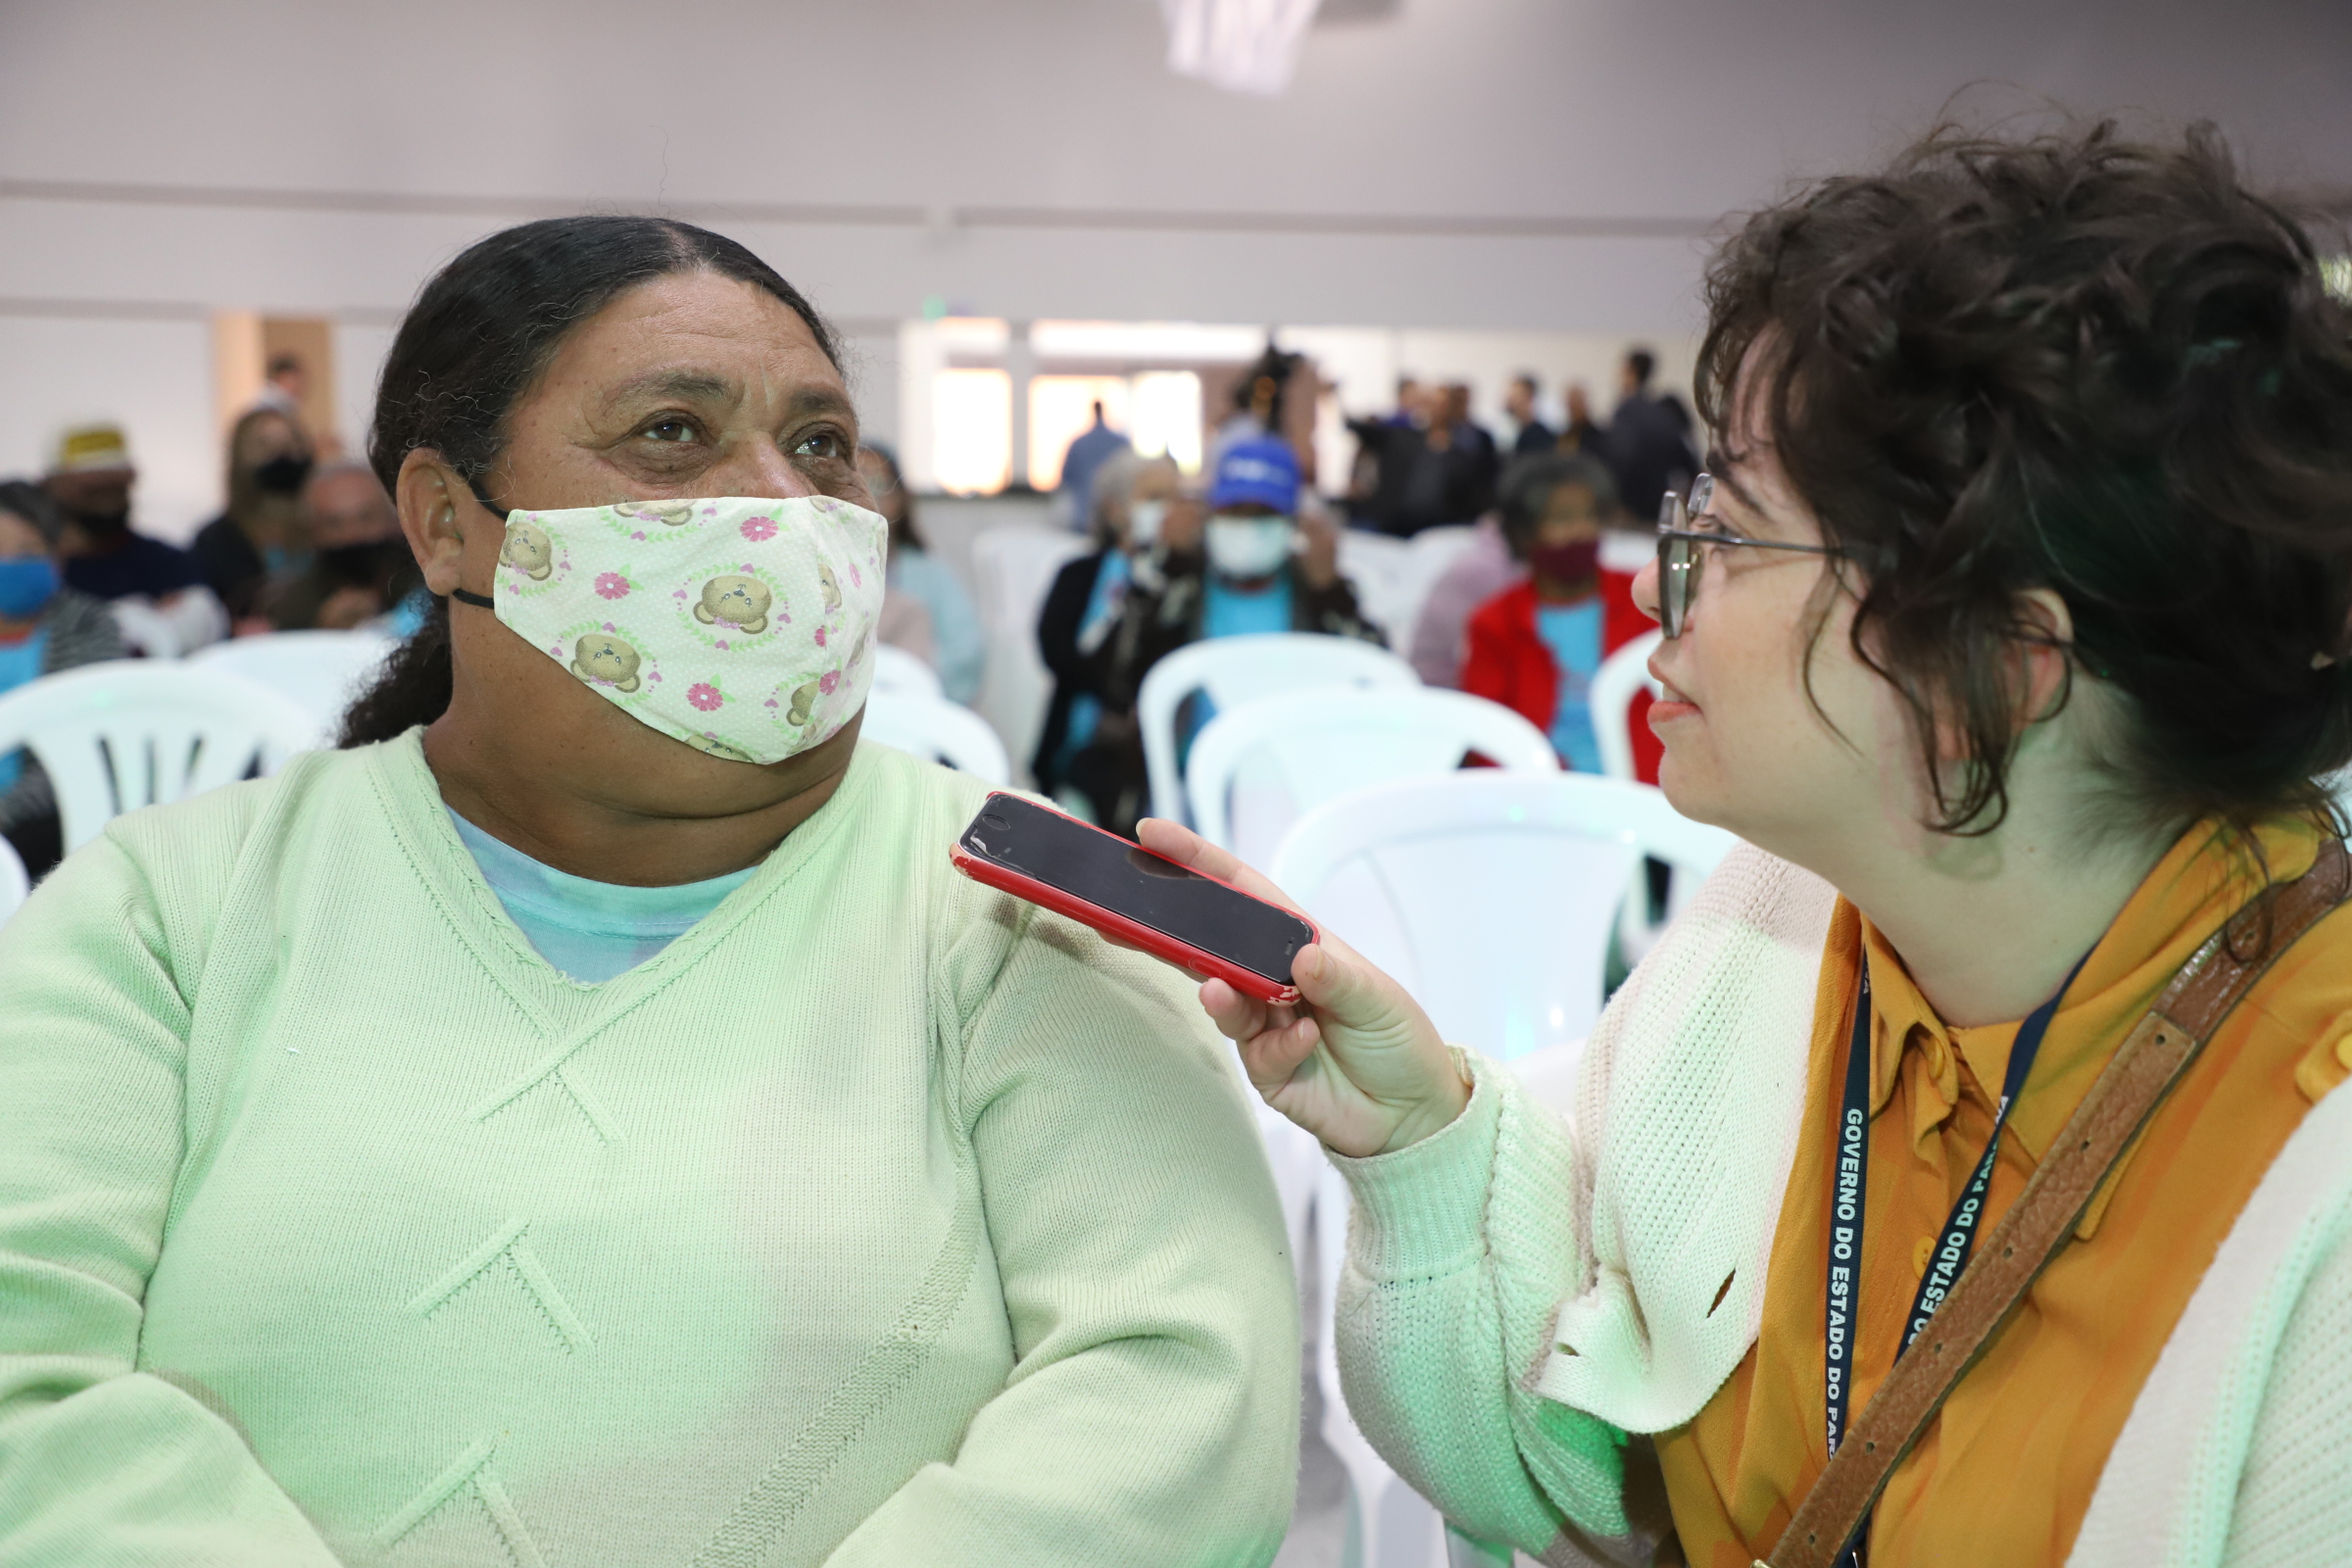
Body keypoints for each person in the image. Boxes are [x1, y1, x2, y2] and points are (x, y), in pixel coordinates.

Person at [0, 215, 1298, 1566]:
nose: (783, 506)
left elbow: (1184, 1389)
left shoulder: (1022, 908)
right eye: (673, 432)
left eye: (818, 445)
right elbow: (26, 1389)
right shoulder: (169, 911)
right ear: (448, 523)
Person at [1141, 123, 2352, 1566]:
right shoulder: (1773, 923)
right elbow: (1549, 1480)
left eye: (1736, 533)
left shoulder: (2310, 1171)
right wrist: (1421, 1143)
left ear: (1992, 671)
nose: (1671, 592)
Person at [1459, 453, 1658, 774]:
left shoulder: (1645, 599)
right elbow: (1488, 739)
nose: (1582, 530)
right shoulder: (1494, 622)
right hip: (1537, 792)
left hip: (1645, 785)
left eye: (1591, 515)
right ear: (1524, 533)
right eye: (1563, 519)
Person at [1032, 447, 1181, 820]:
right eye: (1154, 498)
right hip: (1072, 742)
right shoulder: (1077, 574)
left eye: (1175, 498)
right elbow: (1055, 649)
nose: (1169, 510)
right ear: (1117, 510)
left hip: (1144, 760)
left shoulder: (1180, 582)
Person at [0, 480, 125, 880]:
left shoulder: (88, 625)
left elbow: (80, 749)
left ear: (57, 556)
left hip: (54, 813)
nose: (6, 565)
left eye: (24, 552)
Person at [42, 423, 226, 656]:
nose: (107, 502)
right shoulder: (41, 570)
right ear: (55, 487)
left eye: (116, 487)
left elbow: (202, 625)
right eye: (92, 489)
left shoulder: (168, 561)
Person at [859, 441, 984, 704]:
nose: (865, 497)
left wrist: (904, 679)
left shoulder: (933, 575)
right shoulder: (812, 572)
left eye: (877, 484)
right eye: (853, 483)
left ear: (901, 500)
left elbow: (967, 652)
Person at [194, 405, 316, 627]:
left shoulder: (326, 528)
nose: (283, 454)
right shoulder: (215, 540)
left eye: (292, 443)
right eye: (265, 445)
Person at [267, 460, 422, 631]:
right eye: (334, 524)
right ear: (312, 533)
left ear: (394, 521)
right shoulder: (296, 606)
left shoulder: (429, 587)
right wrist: (325, 633)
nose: (352, 534)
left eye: (366, 518)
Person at [1601, 346, 1699, 524]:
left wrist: (1622, 502)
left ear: (1630, 371)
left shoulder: (1626, 413)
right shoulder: (1663, 413)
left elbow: (1621, 461)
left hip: (1632, 508)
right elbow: (1687, 462)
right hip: (1660, 504)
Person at [1054, 400, 1130, 529]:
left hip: (1084, 516)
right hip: (1113, 520)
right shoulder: (1121, 442)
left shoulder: (1079, 443)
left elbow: (1066, 478)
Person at [1503, 372, 1558, 456]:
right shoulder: (1509, 431)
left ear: (1530, 398)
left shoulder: (1540, 436)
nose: (1510, 400)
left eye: (1516, 396)